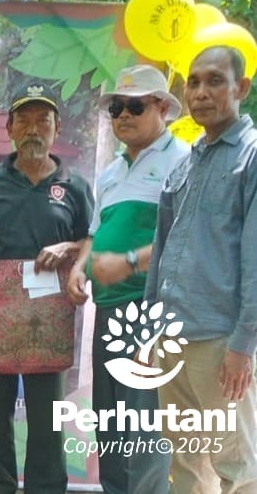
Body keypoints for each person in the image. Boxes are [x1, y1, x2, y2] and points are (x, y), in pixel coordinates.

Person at [0, 81, 93, 494]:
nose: (33, 129)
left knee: (47, 416)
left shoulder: (75, 186)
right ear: (9, 129)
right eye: (23, 120)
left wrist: (69, 247)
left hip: (50, 316)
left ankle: (47, 487)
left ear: (57, 129)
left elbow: (92, 241)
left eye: (43, 120)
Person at [66, 64, 185, 494]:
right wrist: (79, 268)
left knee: (146, 426)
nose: (123, 116)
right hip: (109, 310)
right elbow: (95, 233)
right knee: (111, 422)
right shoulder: (111, 172)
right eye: (116, 108)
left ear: (162, 108)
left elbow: (187, 239)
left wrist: (131, 261)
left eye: (135, 106)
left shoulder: (183, 160)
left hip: (153, 311)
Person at [146, 45, 257, 493]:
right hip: (172, 337)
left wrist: (243, 345)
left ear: (241, 88)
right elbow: (161, 251)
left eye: (215, 81)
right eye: (193, 82)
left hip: (221, 341)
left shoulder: (251, 158)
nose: (201, 92)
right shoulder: (187, 162)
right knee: (186, 461)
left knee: (238, 468)